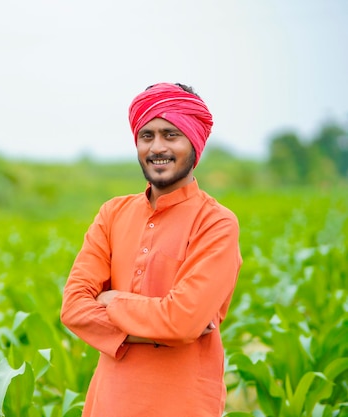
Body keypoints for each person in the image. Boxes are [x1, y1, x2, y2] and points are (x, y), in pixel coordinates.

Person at [60, 82, 242, 416]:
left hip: (184, 405)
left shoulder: (216, 223)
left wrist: (112, 301)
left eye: (171, 135)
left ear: (194, 142)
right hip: (108, 405)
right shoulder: (112, 213)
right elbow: (73, 308)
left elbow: (183, 321)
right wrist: (162, 329)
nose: (157, 147)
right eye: (147, 136)